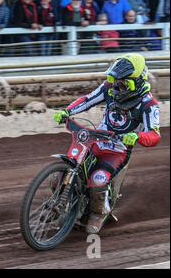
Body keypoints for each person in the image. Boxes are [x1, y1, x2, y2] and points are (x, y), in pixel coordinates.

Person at [53, 53, 160, 234]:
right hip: (96, 140)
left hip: (117, 151)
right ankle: (70, 205)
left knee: (98, 179)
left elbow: (154, 135)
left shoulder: (148, 104)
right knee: (62, 175)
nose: (117, 86)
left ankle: (98, 213)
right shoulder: (109, 88)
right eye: (115, 80)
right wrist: (67, 111)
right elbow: (87, 100)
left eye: (123, 83)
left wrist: (137, 136)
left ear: (138, 81)